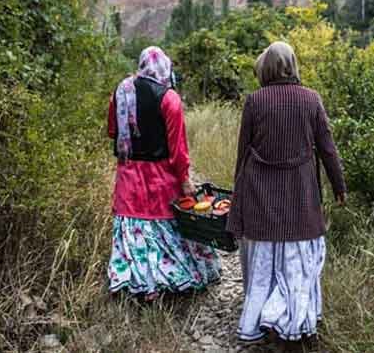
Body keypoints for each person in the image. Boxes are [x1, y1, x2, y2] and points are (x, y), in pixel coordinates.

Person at [228, 41, 346, 344]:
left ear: (265, 67)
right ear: (292, 64)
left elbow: (243, 155)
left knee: (264, 262)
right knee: (297, 262)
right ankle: (293, 319)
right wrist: (339, 187)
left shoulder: (255, 101)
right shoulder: (311, 99)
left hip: (259, 195)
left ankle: (265, 318)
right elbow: (328, 149)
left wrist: (237, 201)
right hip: (300, 196)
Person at [106, 46, 221, 300]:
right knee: (166, 229)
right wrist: (185, 180)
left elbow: (112, 131)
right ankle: (170, 279)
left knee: (135, 230)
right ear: (165, 68)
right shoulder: (170, 99)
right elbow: (178, 149)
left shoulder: (121, 92)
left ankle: (139, 284)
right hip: (160, 180)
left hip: (128, 179)